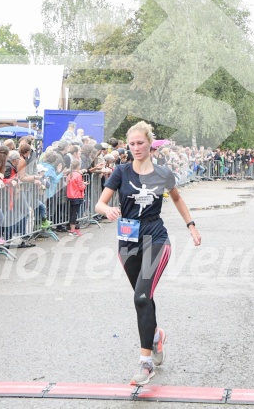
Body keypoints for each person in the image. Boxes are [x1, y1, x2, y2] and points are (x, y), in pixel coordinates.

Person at [95, 120, 201, 386]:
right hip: (128, 240)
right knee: (144, 296)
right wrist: (106, 210)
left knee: (142, 296)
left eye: (140, 142)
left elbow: (176, 198)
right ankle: (155, 337)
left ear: (150, 143)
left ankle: (145, 364)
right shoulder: (120, 171)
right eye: (131, 144)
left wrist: (191, 226)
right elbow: (100, 202)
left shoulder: (163, 173)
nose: (135, 148)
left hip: (156, 238)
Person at [66, 159, 87, 237]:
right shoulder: (78, 175)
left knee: (71, 212)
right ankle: (72, 230)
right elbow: (80, 187)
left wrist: (82, 183)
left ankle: (70, 228)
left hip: (70, 195)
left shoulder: (69, 174)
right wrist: (84, 185)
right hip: (77, 195)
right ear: (78, 166)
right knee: (75, 213)